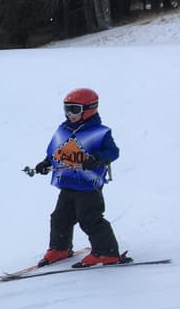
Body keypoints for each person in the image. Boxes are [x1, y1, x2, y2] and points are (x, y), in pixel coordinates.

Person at [31, 88, 124, 266]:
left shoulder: (99, 132)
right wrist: (46, 162)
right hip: (68, 182)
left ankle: (106, 252)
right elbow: (56, 151)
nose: (69, 114)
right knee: (60, 217)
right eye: (67, 109)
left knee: (89, 218)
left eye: (74, 109)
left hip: (88, 185)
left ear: (89, 109)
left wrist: (96, 159)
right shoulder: (64, 129)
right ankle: (60, 248)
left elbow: (113, 152)